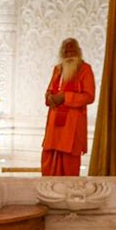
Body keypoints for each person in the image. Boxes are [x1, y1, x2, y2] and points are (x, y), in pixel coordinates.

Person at [41, 38, 95, 176]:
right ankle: (48, 189)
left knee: (69, 158)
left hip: (72, 123)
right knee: (49, 155)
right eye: (66, 50)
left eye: (72, 49)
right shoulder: (58, 69)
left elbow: (89, 96)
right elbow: (50, 90)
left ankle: (69, 192)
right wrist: (49, 97)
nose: (69, 52)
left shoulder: (85, 69)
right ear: (62, 52)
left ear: (78, 51)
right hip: (54, 123)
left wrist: (66, 97)